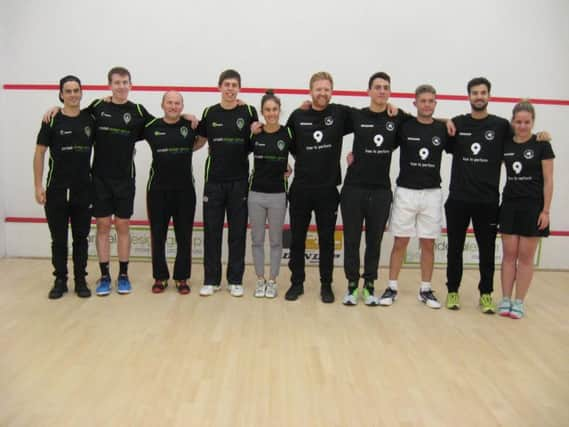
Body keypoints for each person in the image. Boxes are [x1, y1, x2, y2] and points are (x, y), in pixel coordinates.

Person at [340, 72, 412, 306]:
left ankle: (369, 285)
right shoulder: (356, 116)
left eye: (386, 87)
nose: (382, 91)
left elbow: (426, 120)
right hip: (353, 189)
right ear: (369, 91)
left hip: (381, 191)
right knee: (351, 240)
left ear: (389, 92)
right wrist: (308, 103)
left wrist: (449, 123)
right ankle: (352, 286)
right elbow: (325, 110)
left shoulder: (398, 118)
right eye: (377, 87)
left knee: (374, 241)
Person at [284, 71, 353, 303]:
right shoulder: (297, 115)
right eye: (318, 89)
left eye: (326, 89)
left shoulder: (340, 113)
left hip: (327, 190)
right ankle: (296, 283)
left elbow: (369, 122)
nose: (322, 93)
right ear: (311, 91)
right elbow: (285, 143)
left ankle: (326, 285)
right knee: (297, 239)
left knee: (326, 239)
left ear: (331, 91)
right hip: (301, 189)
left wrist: (390, 106)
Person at [381, 84, 448, 309]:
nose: (427, 104)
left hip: (432, 194)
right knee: (400, 241)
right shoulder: (405, 125)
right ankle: (391, 286)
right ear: (415, 103)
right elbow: (385, 120)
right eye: (423, 101)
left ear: (435, 104)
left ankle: (426, 289)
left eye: (431, 101)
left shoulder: (442, 128)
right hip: (406, 192)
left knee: (428, 243)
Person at [195, 69, 258, 297]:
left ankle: (235, 280)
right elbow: (199, 141)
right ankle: (211, 280)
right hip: (213, 182)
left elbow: (259, 140)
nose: (230, 88)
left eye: (234, 85)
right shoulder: (209, 113)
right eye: (227, 84)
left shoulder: (249, 111)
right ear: (219, 87)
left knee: (237, 232)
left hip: (239, 181)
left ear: (239, 88)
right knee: (212, 231)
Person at [33, 75, 94, 299]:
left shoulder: (90, 119)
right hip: (56, 190)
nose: (73, 95)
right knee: (59, 239)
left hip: (83, 190)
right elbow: (40, 152)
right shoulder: (52, 119)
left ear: (81, 92)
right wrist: (38, 185)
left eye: (76, 90)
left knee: (81, 238)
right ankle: (60, 279)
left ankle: (80, 279)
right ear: (61, 94)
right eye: (68, 91)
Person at [498, 100, 554, 319]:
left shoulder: (542, 144)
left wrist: (546, 211)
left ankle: (519, 301)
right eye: (518, 122)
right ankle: (505, 298)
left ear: (533, 123)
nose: (522, 126)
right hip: (510, 205)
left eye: (527, 122)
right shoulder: (506, 144)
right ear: (512, 122)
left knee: (526, 257)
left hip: (533, 207)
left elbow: (549, 181)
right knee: (509, 255)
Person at [143, 91, 198, 295]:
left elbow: (202, 138)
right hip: (157, 191)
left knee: (184, 236)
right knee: (158, 236)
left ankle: (182, 277)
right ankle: (160, 277)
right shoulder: (151, 127)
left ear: (182, 107)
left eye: (177, 103)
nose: (173, 106)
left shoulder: (190, 125)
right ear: (162, 105)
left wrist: (189, 118)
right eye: (170, 102)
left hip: (185, 191)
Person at [248, 90, 292, 298]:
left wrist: (290, 168)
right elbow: (236, 153)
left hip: (278, 196)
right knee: (257, 239)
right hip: (255, 194)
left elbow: (302, 153)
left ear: (279, 111)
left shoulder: (288, 133)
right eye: (267, 110)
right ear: (262, 112)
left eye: (275, 109)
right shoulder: (255, 133)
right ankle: (259, 280)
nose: (271, 113)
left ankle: (272, 281)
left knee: (275, 241)